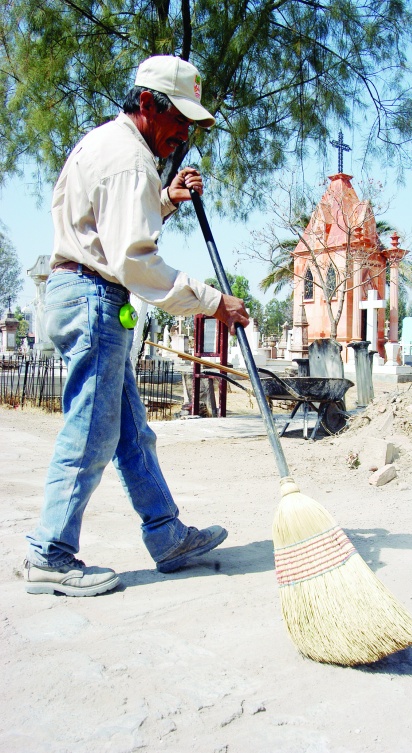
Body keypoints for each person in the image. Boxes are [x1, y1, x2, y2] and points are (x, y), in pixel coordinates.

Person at [24, 55, 250, 597]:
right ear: (147, 102)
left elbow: (111, 228)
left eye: (191, 125)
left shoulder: (107, 145)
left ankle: (168, 536)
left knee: (130, 433)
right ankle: (49, 553)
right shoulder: (130, 160)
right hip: (94, 297)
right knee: (91, 430)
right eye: (179, 120)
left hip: (82, 291)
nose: (184, 135)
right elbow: (135, 261)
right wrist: (213, 301)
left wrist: (165, 200)